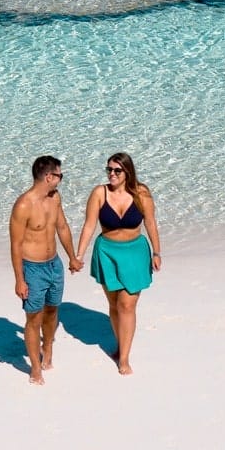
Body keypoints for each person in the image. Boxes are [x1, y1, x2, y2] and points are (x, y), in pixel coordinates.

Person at [74, 151, 161, 375]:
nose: (111, 174)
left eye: (116, 170)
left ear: (127, 172)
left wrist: (157, 252)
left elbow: (150, 223)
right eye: (109, 170)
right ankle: (120, 344)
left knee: (127, 304)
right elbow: (89, 225)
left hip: (135, 253)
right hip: (107, 253)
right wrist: (78, 256)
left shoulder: (141, 193)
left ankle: (124, 357)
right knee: (114, 304)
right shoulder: (99, 193)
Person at [9, 155, 78, 385]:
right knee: (33, 318)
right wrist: (20, 279)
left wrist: (72, 257)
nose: (61, 179)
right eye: (60, 175)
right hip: (33, 269)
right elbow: (16, 245)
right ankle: (35, 368)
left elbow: (62, 226)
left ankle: (47, 346)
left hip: (54, 264)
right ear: (49, 177)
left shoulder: (55, 197)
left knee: (52, 311)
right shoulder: (23, 205)